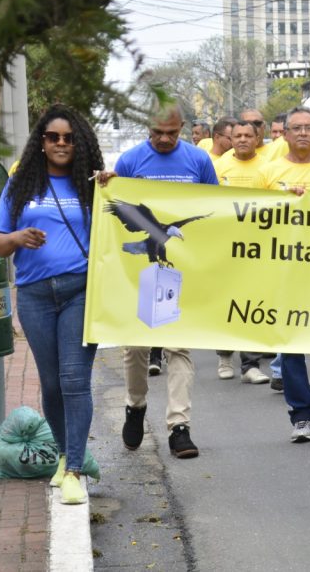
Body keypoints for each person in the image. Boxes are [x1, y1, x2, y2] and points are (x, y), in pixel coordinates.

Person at [0, 104, 105, 505]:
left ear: (80, 144)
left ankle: (73, 467)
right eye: (53, 137)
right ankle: (65, 454)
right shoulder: (21, 183)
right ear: (41, 142)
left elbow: (129, 220)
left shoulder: (93, 184)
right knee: (52, 384)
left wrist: (114, 183)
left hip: (80, 291)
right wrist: (19, 238)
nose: (60, 144)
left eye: (69, 138)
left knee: (74, 380)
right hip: (35, 295)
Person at [97, 103, 218, 459]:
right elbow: (120, 207)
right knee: (135, 347)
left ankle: (179, 427)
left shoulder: (198, 161)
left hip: (182, 270)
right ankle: (135, 406)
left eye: (172, 133)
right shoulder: (132, 160)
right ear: (146, 128)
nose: (164, 140)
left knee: (178, 346)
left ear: (183, 127)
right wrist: (107, 183)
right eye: (157, 133)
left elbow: (218, 209)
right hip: (138, 272)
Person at [257, 107, 310, 439]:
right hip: (285, 267)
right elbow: (253, 217)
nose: (303, 133)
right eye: (296, 128)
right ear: (285, 134)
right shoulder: (269, 172)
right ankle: (301, 414)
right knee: (290, 343)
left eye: (308, 128)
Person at [213, 120, 271, 384]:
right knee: (227, 301)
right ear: (230, 138)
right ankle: (224, 356)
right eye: (238, 135)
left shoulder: (268, 166)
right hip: (227, 244)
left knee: (254, 302)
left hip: (260, 246)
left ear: (257, 137)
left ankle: (250, 365)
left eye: (249, 135)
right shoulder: (219, 166)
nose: (243, 139)